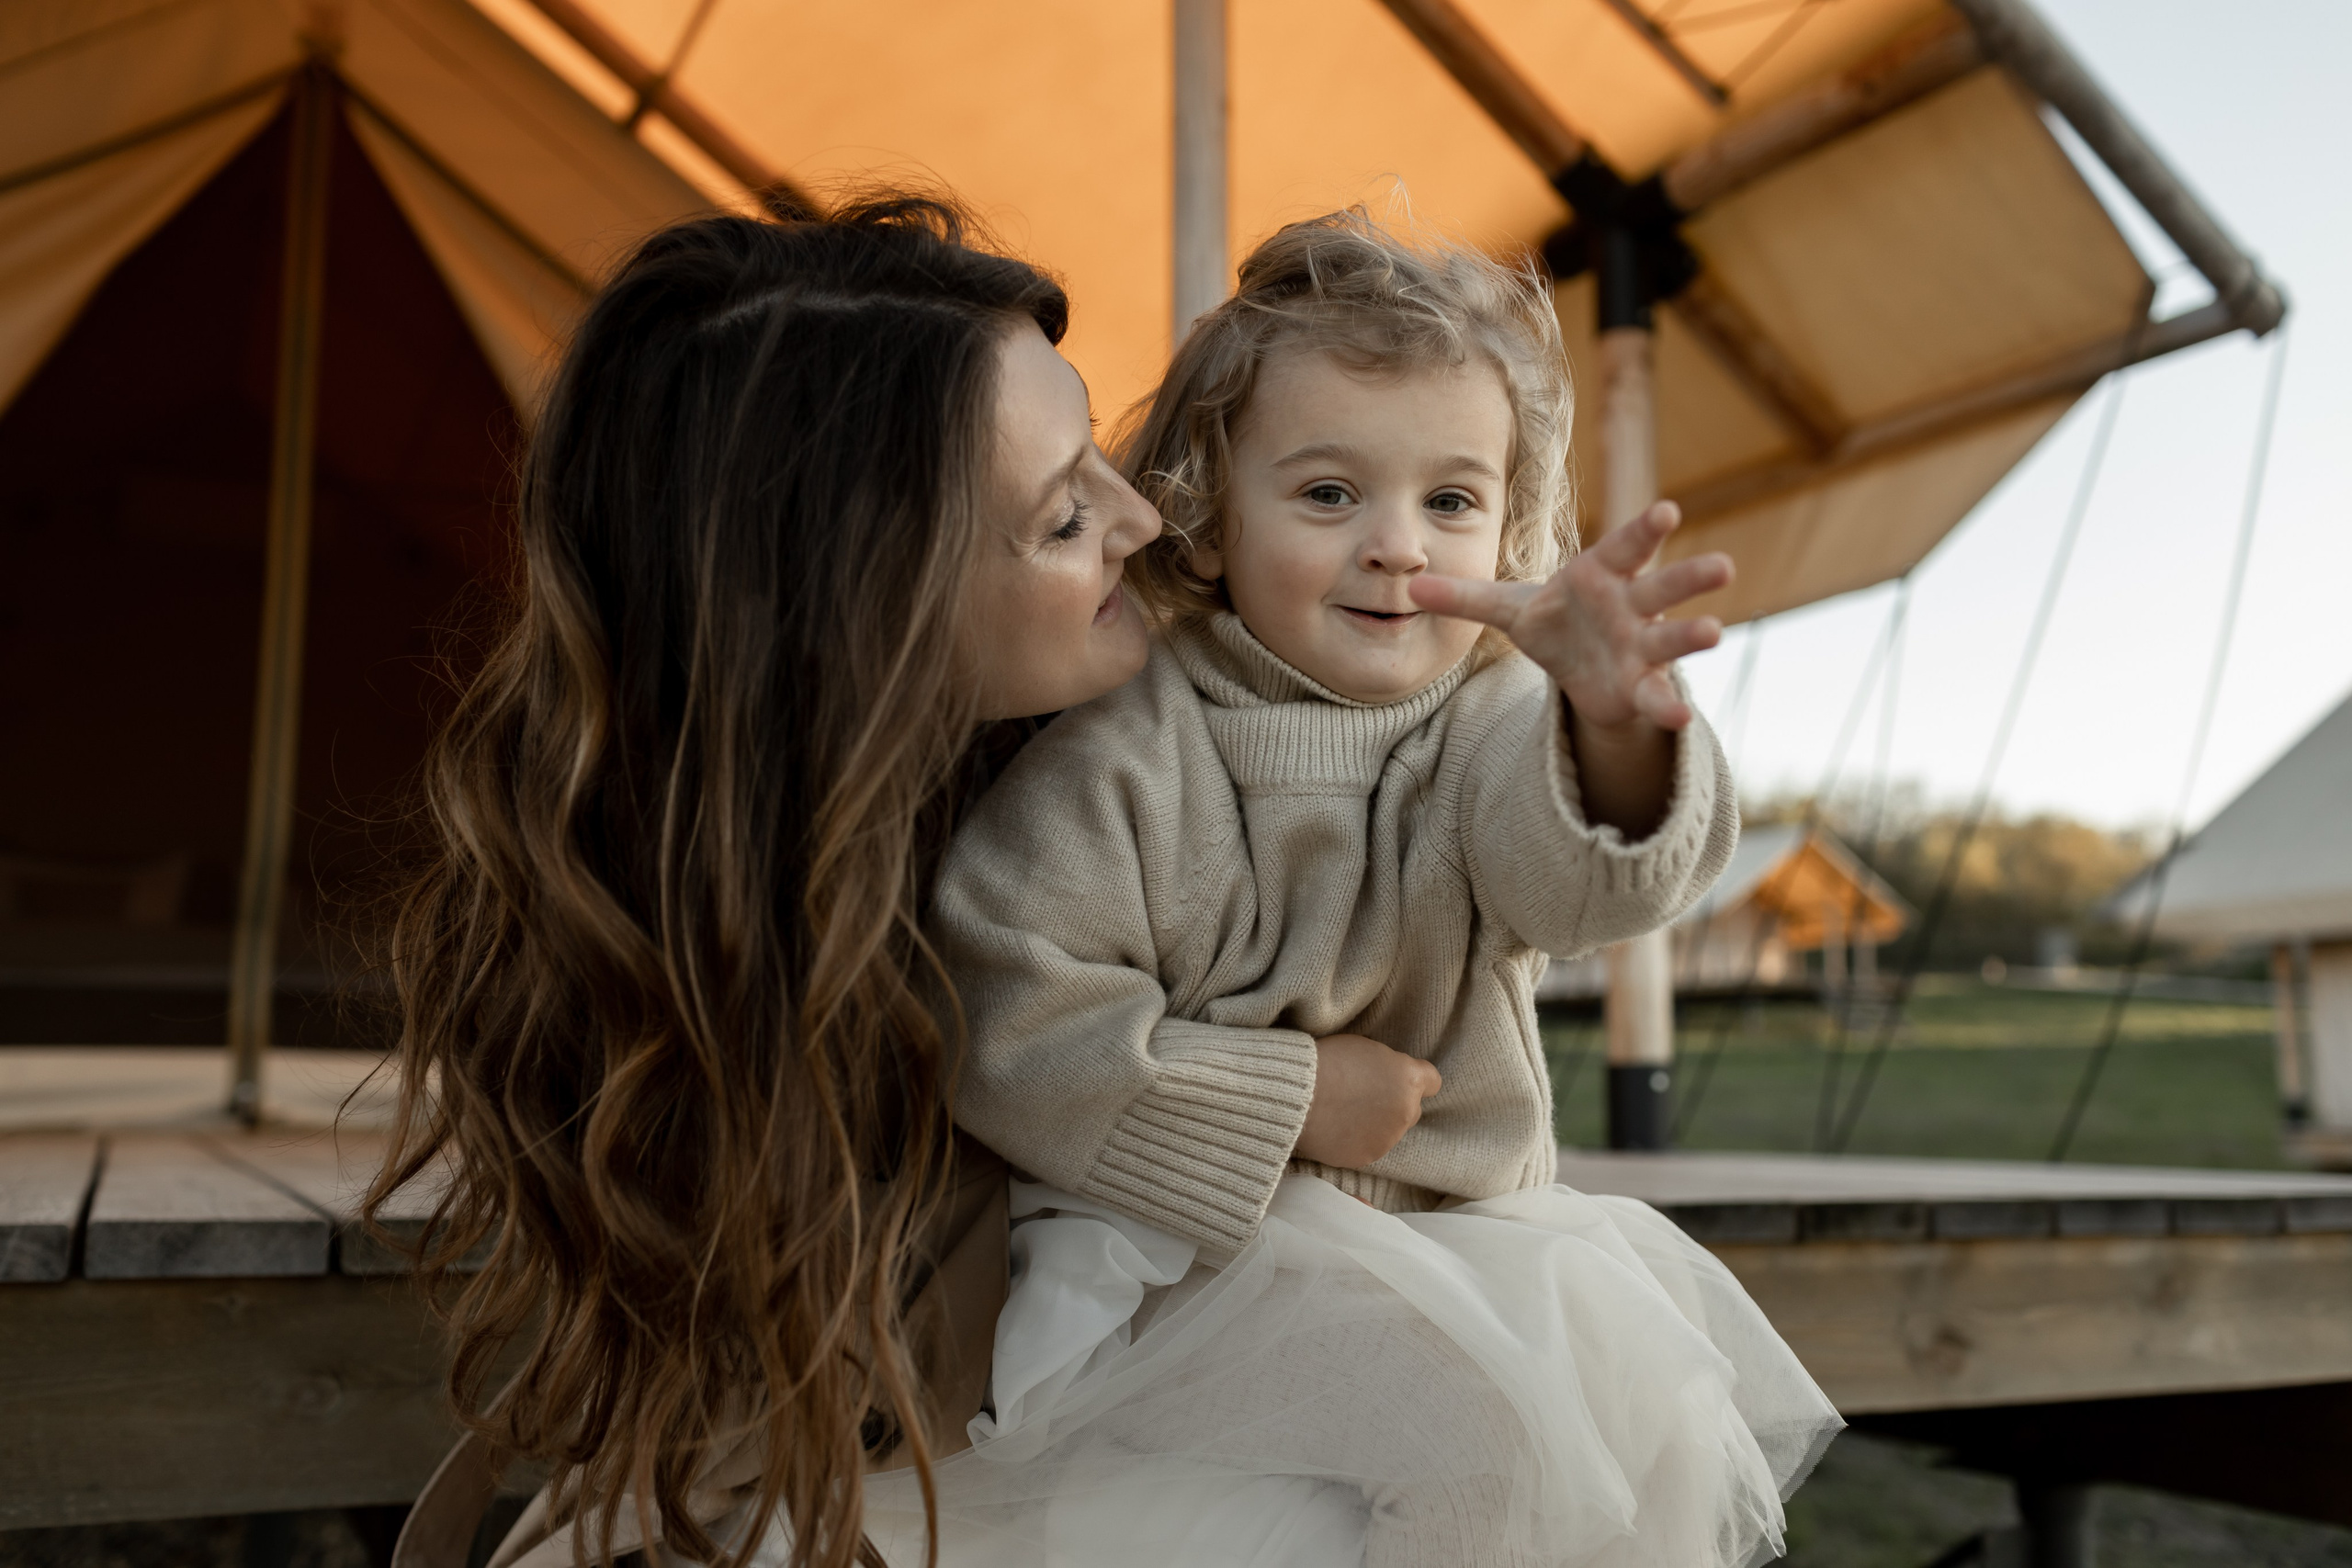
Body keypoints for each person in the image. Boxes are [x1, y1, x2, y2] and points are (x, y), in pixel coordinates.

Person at [920, 210, 1841, 1567]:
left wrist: (1615, 730)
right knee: (1497, 1436)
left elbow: (1578, 887)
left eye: (1450, 502)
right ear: (1208, 518)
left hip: (1472, 1245)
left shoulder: (1492, 719)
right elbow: (1008, 1017)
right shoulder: (1131, 745)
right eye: (1329, 495)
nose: (1398, 546)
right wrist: (1296, 1099)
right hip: (1175, 1271)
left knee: (1625, 1438)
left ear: (1509, 529)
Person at [372, 197, 1164, 1568]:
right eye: (1061, 517)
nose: (1141, 517)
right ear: (868, 613)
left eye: (1098, 446)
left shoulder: (1155, 770)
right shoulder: (720, 946)